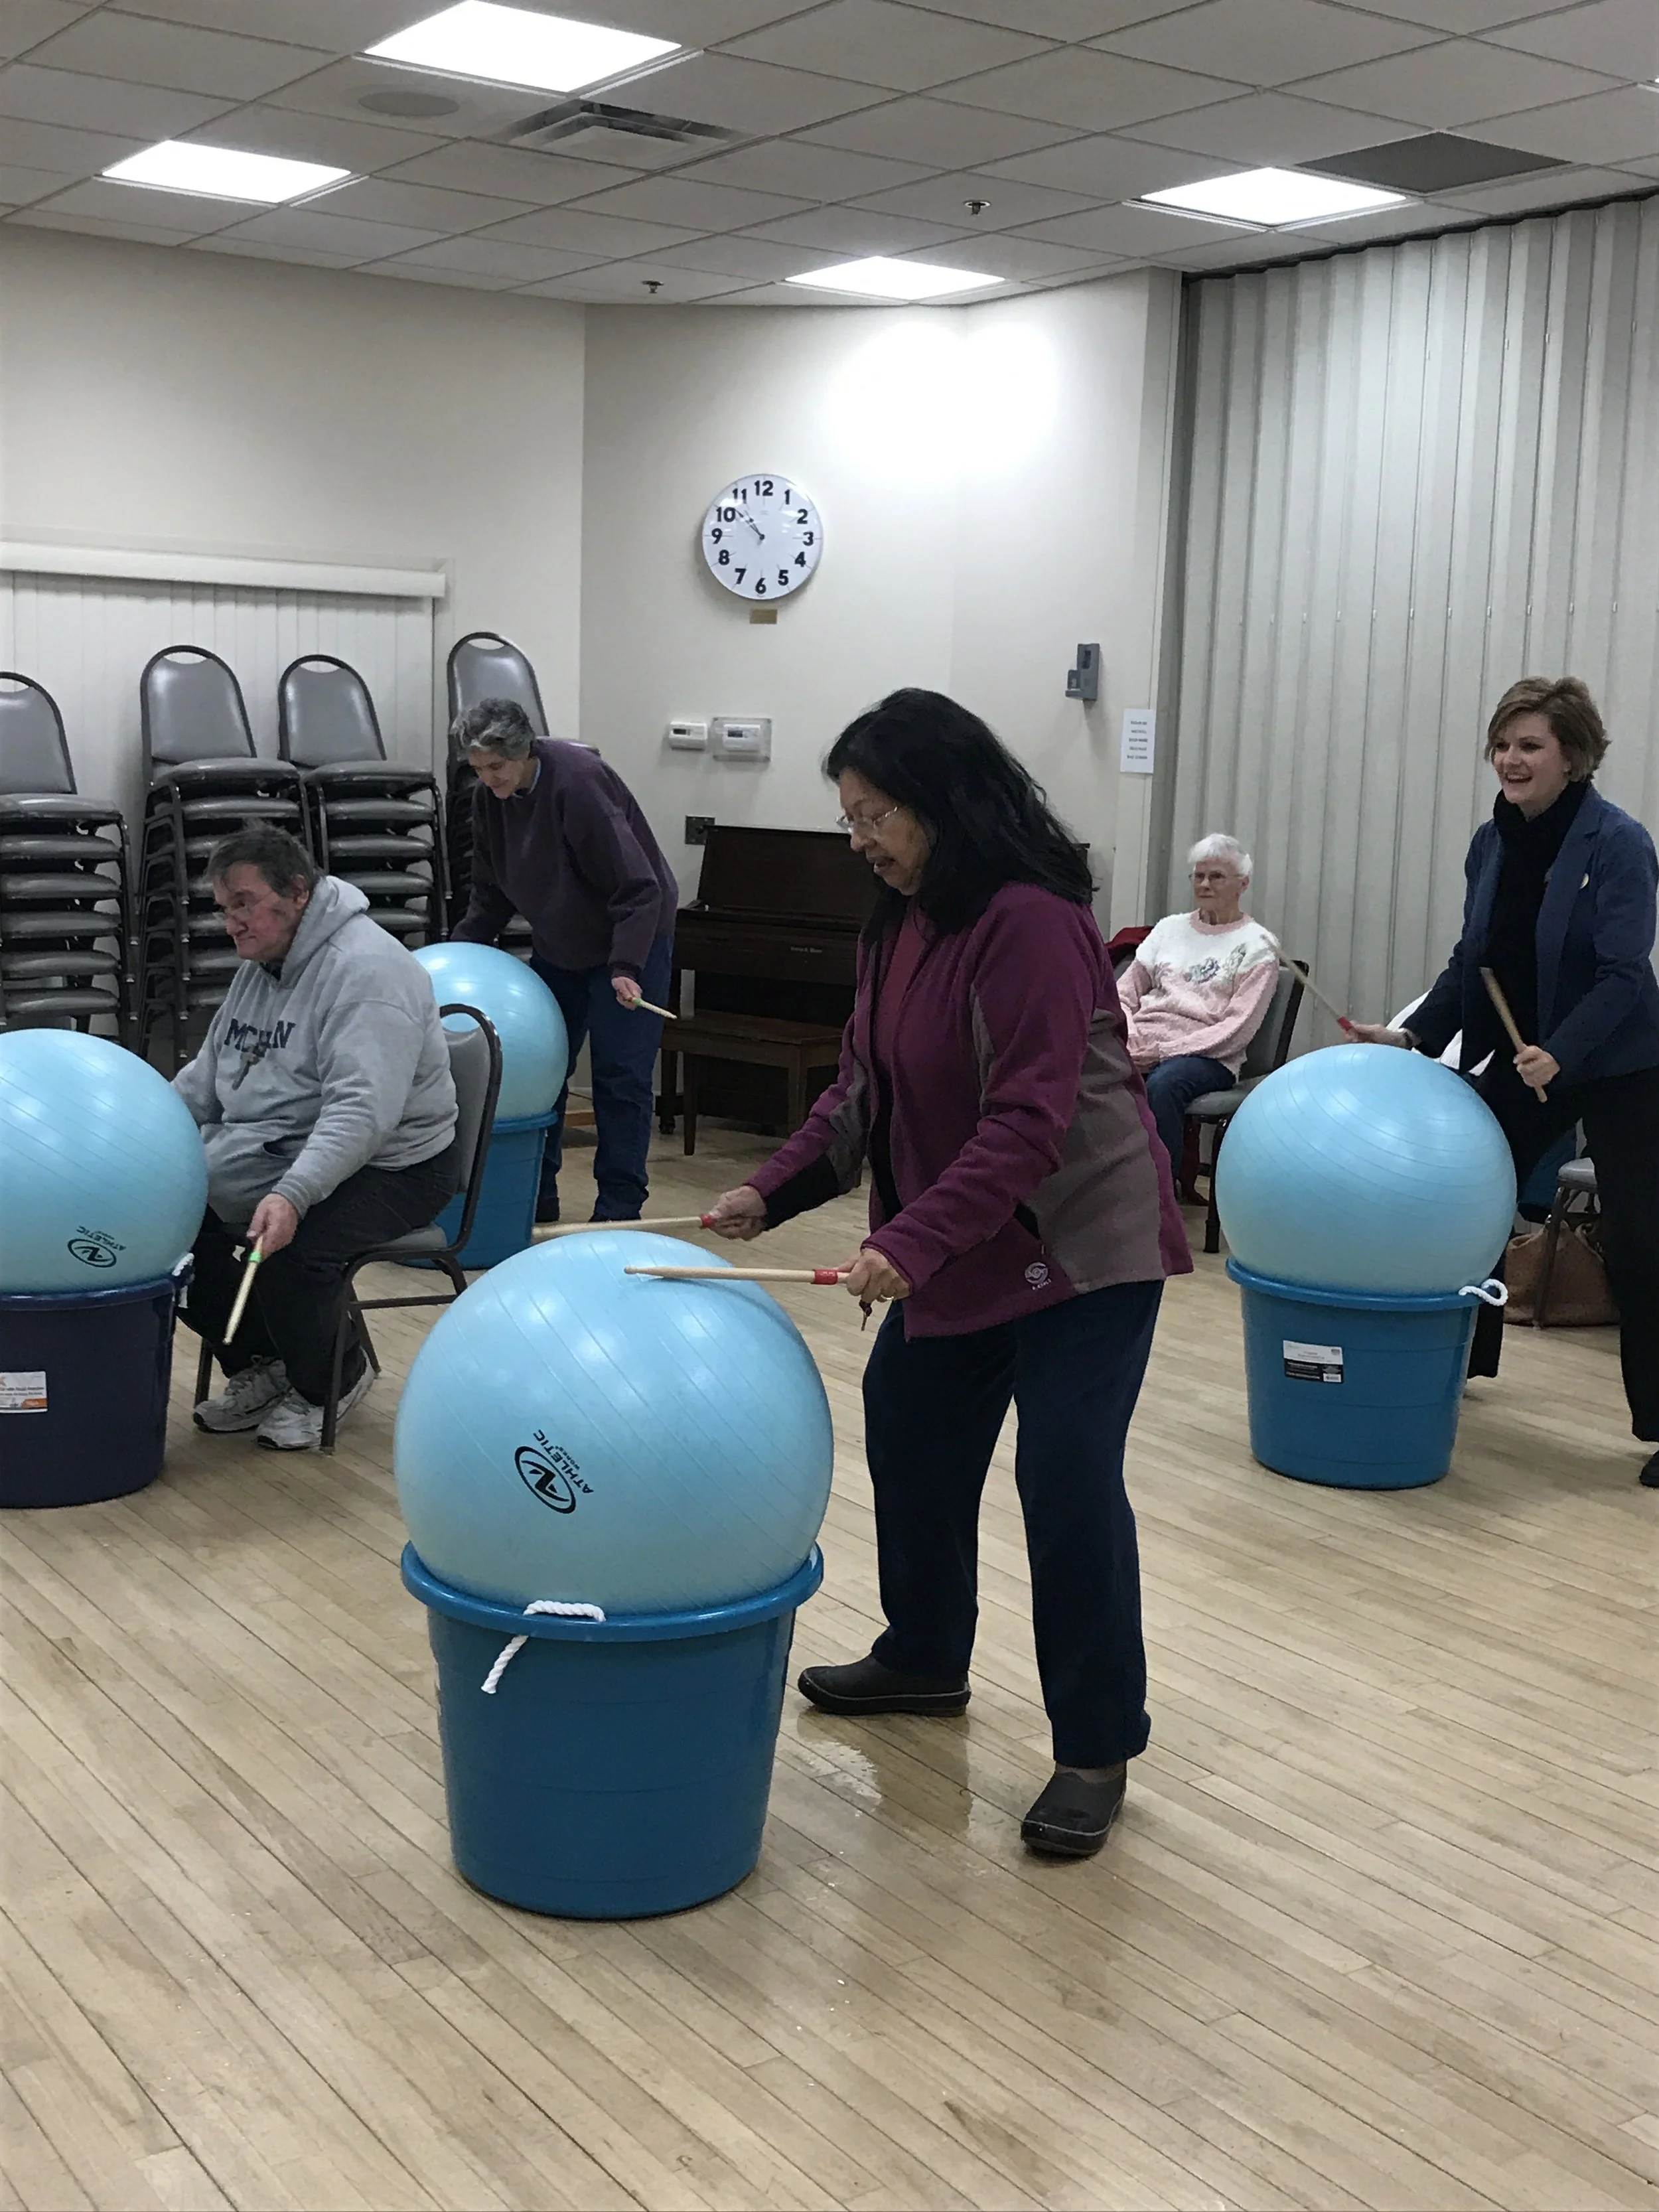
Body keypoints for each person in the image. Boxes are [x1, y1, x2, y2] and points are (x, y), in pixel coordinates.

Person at [705, 689, 1191, 1858]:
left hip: (1080, 1245)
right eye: (851, 819)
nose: (862, 839)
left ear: (945, 801)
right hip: (967, 1235)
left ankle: (1094, 1744)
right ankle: (924, 1656)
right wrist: (770, 1187)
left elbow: (1028, 1119)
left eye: (878, 815)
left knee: (1066, 1475)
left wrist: (908, 1242)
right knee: (910, 1422)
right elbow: (863, 1087)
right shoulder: (898, 915)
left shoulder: (1030, 918)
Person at [1348, 677, 1659, 1489]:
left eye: (1530, 746)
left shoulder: (1618, 843)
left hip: (1621, 1064)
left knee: (1642, 1239)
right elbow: (1471, 960)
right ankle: (1457, 1363)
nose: (1511, 760)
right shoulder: (1491, 844)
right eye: (1502, 744)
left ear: (1573, 756)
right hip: (1525, 1056)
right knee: (1462, 1199)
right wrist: (1413, 1033)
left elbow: (1625, 975)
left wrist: (1561, 1050)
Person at [175, 828, 459, 1451]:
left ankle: (333, 1377)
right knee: (162, 1227)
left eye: (244, 903)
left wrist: (294, 1194)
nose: (232, 924)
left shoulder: (368, 971)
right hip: (281, 1146)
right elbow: (204, 1081)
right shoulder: (261, 966)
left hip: (397, 1163)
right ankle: (265, 1360)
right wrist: (148, 1141)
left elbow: (363, 1112)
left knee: (291, 1254)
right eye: (225, 908)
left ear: (298, 893)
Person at [450, 700, 679, 1224]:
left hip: (633, 937)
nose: (488, 780)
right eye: (478, 769)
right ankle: (537, 1194)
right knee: (545, 1069)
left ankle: (620, 1207)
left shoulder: (579, 784)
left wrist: (626, 966)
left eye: (497, 768)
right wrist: (462, 949)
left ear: (525, 751)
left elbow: (639, 888)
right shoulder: (490, 798)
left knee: (621, 1076)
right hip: (561, 942)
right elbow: (491, 892)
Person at [1117, 834, 1280, 1175]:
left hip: (1208, 1055)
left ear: (1243, 884)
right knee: (1083, 1066)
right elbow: (1124, 991)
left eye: (1217, 876)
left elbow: (1237, 1029)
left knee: (1165, 1084)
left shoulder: (1258, 945)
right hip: (1142, 1042)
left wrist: (1164, 1052)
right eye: (1198, 876)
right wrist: (1128, 1034)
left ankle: (1159, 1197)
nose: (1205, 884)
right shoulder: (1168, 929)